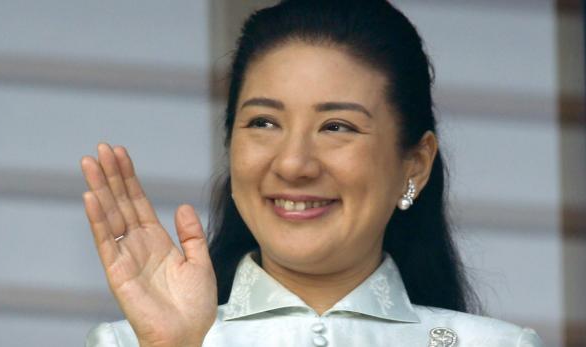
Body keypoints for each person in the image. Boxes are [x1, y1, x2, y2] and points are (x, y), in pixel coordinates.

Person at [81, 1, 545, 346]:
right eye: (263, 122)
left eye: (336, 126)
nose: (292, 164)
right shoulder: (133, 342)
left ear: (415, 164)